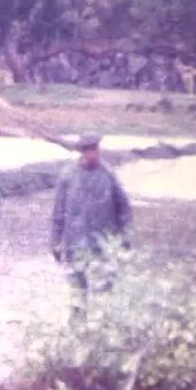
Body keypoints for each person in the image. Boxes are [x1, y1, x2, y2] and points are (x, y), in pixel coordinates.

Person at [50, 133, 133, 321]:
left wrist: (123, 238)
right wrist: (55, 241)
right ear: (83, 153)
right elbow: (58, 212)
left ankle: (102, 328)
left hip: (102, 244)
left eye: (96, 150)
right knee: (77, 292)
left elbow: (124, 209)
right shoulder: (68, 176)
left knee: (104, 290)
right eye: (90, 150)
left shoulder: (108, 175)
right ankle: (77, 329)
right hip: (75, 243)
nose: (95, 154)